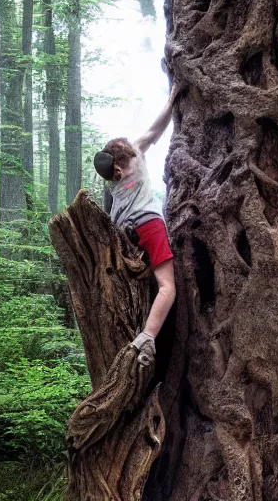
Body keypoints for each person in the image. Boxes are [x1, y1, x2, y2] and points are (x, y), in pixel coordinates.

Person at [93, 85, 178, 365]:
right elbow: (155, 131)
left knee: (151, 284)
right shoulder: (136, 156)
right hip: (150, 226)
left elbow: (114, 217)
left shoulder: (114, 185)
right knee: (167, 286)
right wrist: (170, 101)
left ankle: (143, 335)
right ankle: (148, 337)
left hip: (129, 238)